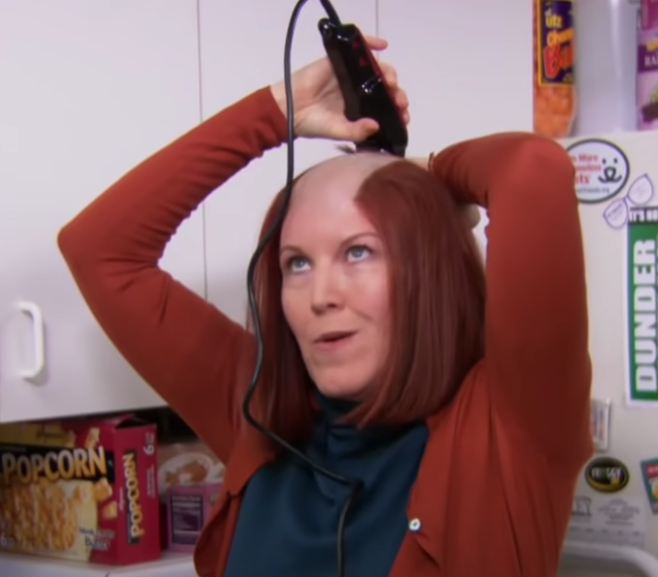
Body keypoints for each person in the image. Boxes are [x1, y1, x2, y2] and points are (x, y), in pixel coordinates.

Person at [58, 35, 592, 577]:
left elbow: (532, 169)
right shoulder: (259, 414)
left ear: (427, 274)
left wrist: (425, 176)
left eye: (358, 252)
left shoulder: (509, 427)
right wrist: (278, 112)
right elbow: (100, 251)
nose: (321, 296)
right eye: (297, 263)